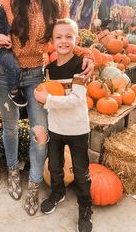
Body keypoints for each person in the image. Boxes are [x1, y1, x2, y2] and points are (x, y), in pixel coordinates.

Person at [0, 0, 94, 216]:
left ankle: (33, 186)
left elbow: (67, 37)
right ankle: (12, 172)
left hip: (37, 76)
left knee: (40, 133)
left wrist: (87, 56)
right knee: (8, 128)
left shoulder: (58, 3)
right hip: (7, 75)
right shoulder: (5, 3)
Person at [34, 18, 93, 232]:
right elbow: (49, 93)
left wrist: (46, 101)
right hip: (56, 128)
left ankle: (86, 206)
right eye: (58, 37)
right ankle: (57, 193)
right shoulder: (49, 68)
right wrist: (42, 97)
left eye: (69, 36)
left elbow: (77, 100)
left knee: (80, 171)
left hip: (77, 128)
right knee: (55, 167)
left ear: (76, 39)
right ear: (52, 41)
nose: (64, 41)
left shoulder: (80, 65)